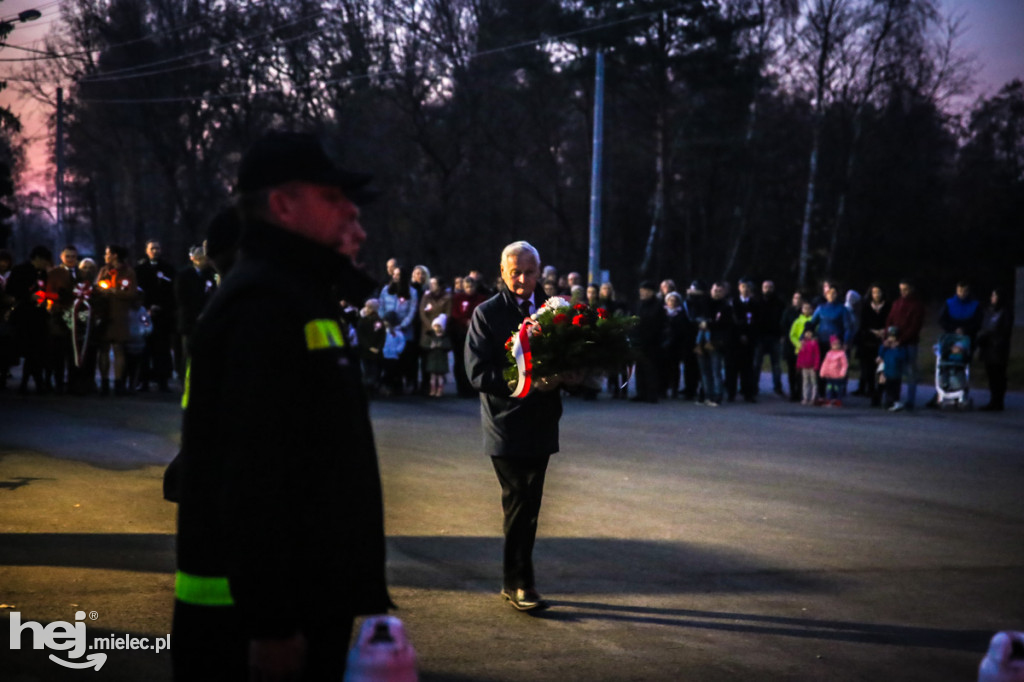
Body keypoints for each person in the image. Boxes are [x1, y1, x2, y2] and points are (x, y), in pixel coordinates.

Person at [167, 130, 391, 681]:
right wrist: (270, 624)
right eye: (332, 197)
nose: (351, 212)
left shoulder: (301, 294)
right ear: (282, 205)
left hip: (308, 598)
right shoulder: (262, 305)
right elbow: (252, 478)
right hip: (263, 618)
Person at [465, 240, 575, 612]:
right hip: (505, 424)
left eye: (529, 273)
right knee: (520, 503)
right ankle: (519, 584)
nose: (522, 279)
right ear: (502, 273)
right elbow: (477, 372)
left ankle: (516, 581)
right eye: (515, 273)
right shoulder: (487, 314)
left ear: (539, 273)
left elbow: (573, 357)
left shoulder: (555, 311)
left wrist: (566, 376)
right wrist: (526, 380)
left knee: (530, 504)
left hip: (542, 423)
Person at [7, 246, 53, 394]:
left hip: (39, 316)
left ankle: (32, 382)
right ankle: (32, 382)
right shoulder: (20, 271)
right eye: (45, 261)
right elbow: (11, 290)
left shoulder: (43, 273)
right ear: (38, 258)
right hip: (24, 316)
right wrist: (28, 296)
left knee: (37, 351)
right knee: (28, 350)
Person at [95, 244, 138, 396]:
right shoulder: (104, 270)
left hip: (119, 313)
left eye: (107, 253)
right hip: (104, 313)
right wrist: (101, 290)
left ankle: (119, 383)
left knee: (119, 348)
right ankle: (105, 382)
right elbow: (97, 287)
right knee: (104, 349)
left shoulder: (128, 271)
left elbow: (131, 293)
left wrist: (113, 291)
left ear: (114, 255)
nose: (105, 256)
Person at [135, 239, 177, 393]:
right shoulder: (139, 269)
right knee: (144, 350)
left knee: (162, 349)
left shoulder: (168, 269)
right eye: (152, 248)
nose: (155, 251)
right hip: (144, 314)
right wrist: (146, 307)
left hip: (163, 315)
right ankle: (143, 380)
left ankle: (163, 381)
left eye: (157, 248)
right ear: (147, 250)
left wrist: (162, 307)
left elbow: (172, 292)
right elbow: (137, 291)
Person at [885, 278, 925, 412]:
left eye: (906, 289)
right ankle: (893, 399)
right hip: (895, 342)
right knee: (895, 372)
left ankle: (910, 401)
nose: (903, 292)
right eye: (901, 289)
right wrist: (888, 336)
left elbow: (914, 327)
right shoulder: (896, 303)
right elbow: (889, 320)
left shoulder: (917, 305)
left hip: (909, 343)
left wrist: (901, 340)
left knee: (910, 372)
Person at [450, 276, 488, 398]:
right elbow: (455, 313)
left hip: (475, 335)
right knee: (460, 361)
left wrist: (473, 321)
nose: (469, 289)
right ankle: (461, 388)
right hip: (460, 334)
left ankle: (473, 388)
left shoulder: (481, 299)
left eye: (471, 286)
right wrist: (465, 321)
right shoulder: (457, 298)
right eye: (466, 287)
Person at [976, 288, 1013, 412]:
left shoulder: (1005, 312)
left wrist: (990, 337)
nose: (992, 298)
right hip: (988, 348)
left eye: (995, 296)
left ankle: (998, 401)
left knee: (999, 376)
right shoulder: (989, 311)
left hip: (998, 349)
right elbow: (984, 326)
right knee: (992, 376)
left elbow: (1004, 332)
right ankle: (993, 400)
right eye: (992, 296)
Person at [853, 284, 890, 402]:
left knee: (881, 368)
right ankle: (870, 389)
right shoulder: (865, 306)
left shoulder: (888, 306)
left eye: (878, 292)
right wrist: (872, 331)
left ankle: (879, 392)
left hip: (883, 339)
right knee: (868, 368)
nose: (876, 295)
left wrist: (884, 331)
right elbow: (862, 323)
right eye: (874, 292)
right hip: (867, 340)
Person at [632, 280, 666, 403]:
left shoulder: (658, 305)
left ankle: (652, 394)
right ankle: (641, 392)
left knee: (651, 368)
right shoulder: (639, 304)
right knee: (639, 368)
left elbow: (658, 324)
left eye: (645, 291)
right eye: (641, 291)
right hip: (639, 340)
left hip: (652, 342)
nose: (642, 293)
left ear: (651, 292)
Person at [753, 280, 786, 397]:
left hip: (775, 337)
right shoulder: (757, 302)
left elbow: (783, 320)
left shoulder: (780, 303)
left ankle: (778, 387)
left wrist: (782, 334)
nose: (768, 289)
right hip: (760, 337)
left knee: (776, 364)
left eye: (770, 287)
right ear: (762, 288)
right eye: (766, 287)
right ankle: (754, 387)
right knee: (756, 364)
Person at [357, 298, 385, 394]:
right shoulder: (362, 321)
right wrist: (369, 346)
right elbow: (361, 336)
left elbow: (382, 336)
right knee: (365, 371)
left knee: (374, 371)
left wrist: (378, 347)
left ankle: (372, 388)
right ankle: (366, 389)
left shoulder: (379, 321)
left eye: (368, 307)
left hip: (375, 352)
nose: (366, 309)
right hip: (365, 351)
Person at [780, 291, 805, 402]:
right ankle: (792, 392)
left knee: (800, 371)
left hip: (803, 346)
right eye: (795, 298)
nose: (797, 300)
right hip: (790, 345)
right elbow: (783, 325)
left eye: (799, 298)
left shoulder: (805, 312)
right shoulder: (788, 312)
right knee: (791, 370)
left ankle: (800, 392)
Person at [876, 326, 907, 410]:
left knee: (895, 388)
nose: (891, 339)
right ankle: (888, 402)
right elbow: (880, 354)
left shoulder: (900, 349)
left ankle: (895, 402)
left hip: (896, 372)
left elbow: (903, 357)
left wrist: (897, 347)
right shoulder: (886, 348)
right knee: (887, 388)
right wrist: (884, 346)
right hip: (887, 372)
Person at [379, 310, 406, 397]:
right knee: (385, 372)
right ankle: (386, 388)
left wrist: (398, 350)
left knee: (393, 372)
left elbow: (402, 342)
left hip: (394, 356)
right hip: (385, 355)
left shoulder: (398, 333)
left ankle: (394, 388)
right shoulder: (384, 332)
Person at [424, 313, 452, 397]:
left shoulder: (444, 337)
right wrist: (430, 346)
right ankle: (433, 390)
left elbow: (448, 346)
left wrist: (441, 346)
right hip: (433, 359)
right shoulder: (431, 336)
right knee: (433, 377)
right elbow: (426, 345)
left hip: (441, 360)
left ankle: (439, 390)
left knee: (440, 377)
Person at [819, 335, 849, 406]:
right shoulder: (829, 353)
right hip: (829, 375)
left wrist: (842, 373)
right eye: (834, 344)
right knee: (829, 388)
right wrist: (822, 373)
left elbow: (844, 365)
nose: (836, 346)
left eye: (837, 344)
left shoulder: (842, 354)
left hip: (837, 375)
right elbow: (825, 364)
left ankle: (837, 399)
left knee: (837, 388)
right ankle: (829, 399)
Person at [796, 326, 821, 405]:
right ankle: (805, 397)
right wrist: (798, 365)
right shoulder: (802, 343)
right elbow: (800, 355)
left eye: (810, 333)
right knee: (805, 383)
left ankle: (813, 398)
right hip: (804, 367)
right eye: (806, 333)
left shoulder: (814, 343)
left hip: (812, 367)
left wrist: (816, 365)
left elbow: (817, 355)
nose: (808, 334)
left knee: (813, 382)